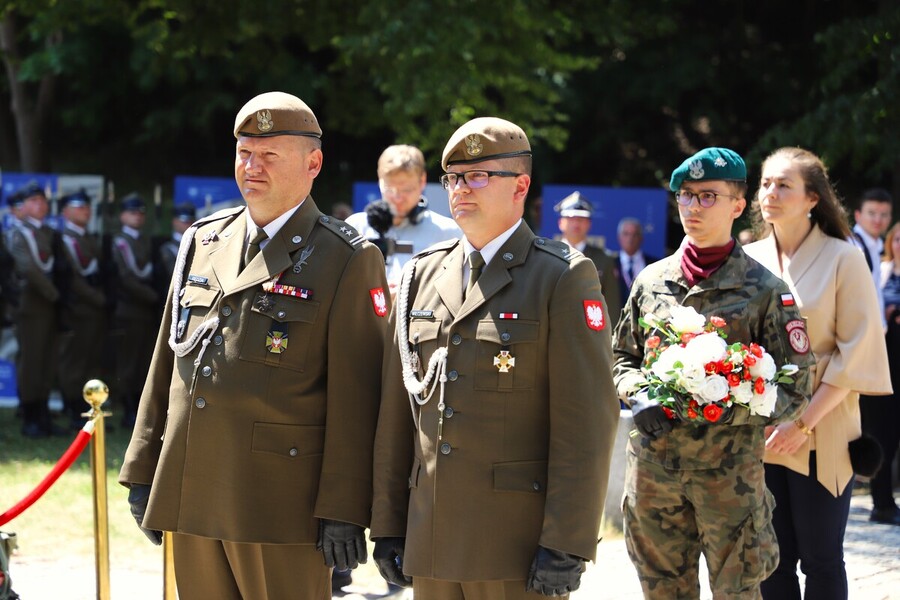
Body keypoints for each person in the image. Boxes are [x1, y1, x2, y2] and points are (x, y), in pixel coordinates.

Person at [118, 91, 389, 600]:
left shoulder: (347, 257)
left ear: (313, 164)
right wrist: (142, 465)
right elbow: (167, 361)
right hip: (193, 485)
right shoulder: (204, 240)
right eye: (244, 152)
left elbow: (359, 399)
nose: (252, 167)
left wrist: (344, 509)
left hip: (280, 503)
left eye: (269, 156)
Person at [370, 117, 620, 599]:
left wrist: (566, 542)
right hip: (432, 534)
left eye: (478, 176)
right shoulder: (424, 273)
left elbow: (586, 422)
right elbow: (398, 411)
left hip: (516, 544)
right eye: (454, 178)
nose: (461, 189)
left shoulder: (562, 277)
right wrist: (388, 521)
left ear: (520, 186)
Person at [614, 147, 814, 599]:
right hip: (655, 474)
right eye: (686, 196)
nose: (693, 207)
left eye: (708, 196)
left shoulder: (766, 291)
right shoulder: (651, 282)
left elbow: (798, 383)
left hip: (730, 481)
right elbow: (620, 358)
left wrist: (731, 404)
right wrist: (638, 395)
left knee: (737, 594)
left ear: (738, 205)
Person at [743, 147, 892, 598]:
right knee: (771, 559)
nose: (770, 192)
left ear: (813, 198)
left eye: (784, 184)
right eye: (766, 183)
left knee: (822, 558)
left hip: (822, 425)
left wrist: (803, 422)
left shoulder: (844, 257)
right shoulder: (746, 257)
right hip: (760, 427)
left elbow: (859, 351)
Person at [346, 144, 461, 295]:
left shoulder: (449, 232)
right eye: (390, 189)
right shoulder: (354, 228)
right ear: (379, 181)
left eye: (406, 190)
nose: (398, 198)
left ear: (422, 181)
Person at [6, 181, 62, 438]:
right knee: (31, 362)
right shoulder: (20, 233)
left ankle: (42, 414)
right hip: (31, 305)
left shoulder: (47, 232)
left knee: (47, 362)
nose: (40, 205)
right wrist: (55, 294)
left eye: (42, 201)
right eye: (34, 201)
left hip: (49, 306)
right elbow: (28, 267)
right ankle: (30, 417)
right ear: (24, 206)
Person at [56, 189, 109, 429]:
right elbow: (74, 279)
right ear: (65, 211)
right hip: (78, 309)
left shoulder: (88, 236)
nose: (85, 211)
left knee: (92, 360)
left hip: (93, 310)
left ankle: (91, 408)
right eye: (78, 207)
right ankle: (73, 410)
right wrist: (98, 299)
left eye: (86, 207)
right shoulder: (66, 238)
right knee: (75, 362)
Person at [111, 193, 159, 427]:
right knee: (129, 362)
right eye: (132, 212)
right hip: (129, 310)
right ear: (122, 216)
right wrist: (155, 297)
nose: (137, 216)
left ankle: (137, 407)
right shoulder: (120, 241)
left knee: (143, 362)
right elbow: (127, 277)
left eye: (140, 212)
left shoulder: (144, 240)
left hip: (145, 312)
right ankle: (128, 407)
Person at [555, 191, 623, 327]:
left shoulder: (604, 259)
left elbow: (612, 305)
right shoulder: (547, 255)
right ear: (561, 223)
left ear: (588, 224)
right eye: (571, 218)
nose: (576, 224)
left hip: (590, 334)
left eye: (581, 219)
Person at [871, 221, 900, 525]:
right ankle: (882, 504)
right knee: (884, 439)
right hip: (886, 370)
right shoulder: (879, 274)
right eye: (898, 238)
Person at [156, 202, 197, 296]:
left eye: (191, 221)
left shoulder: (198, 244)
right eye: (185, 221)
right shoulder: (167, 247)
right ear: (175, 221)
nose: (189, 224)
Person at [614, 216, 658, 306]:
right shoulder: (611, 263)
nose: (630, 239)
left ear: (641, 238)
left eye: (635, 234)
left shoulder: (654, 265)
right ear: (619, 237)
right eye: (626, 234)